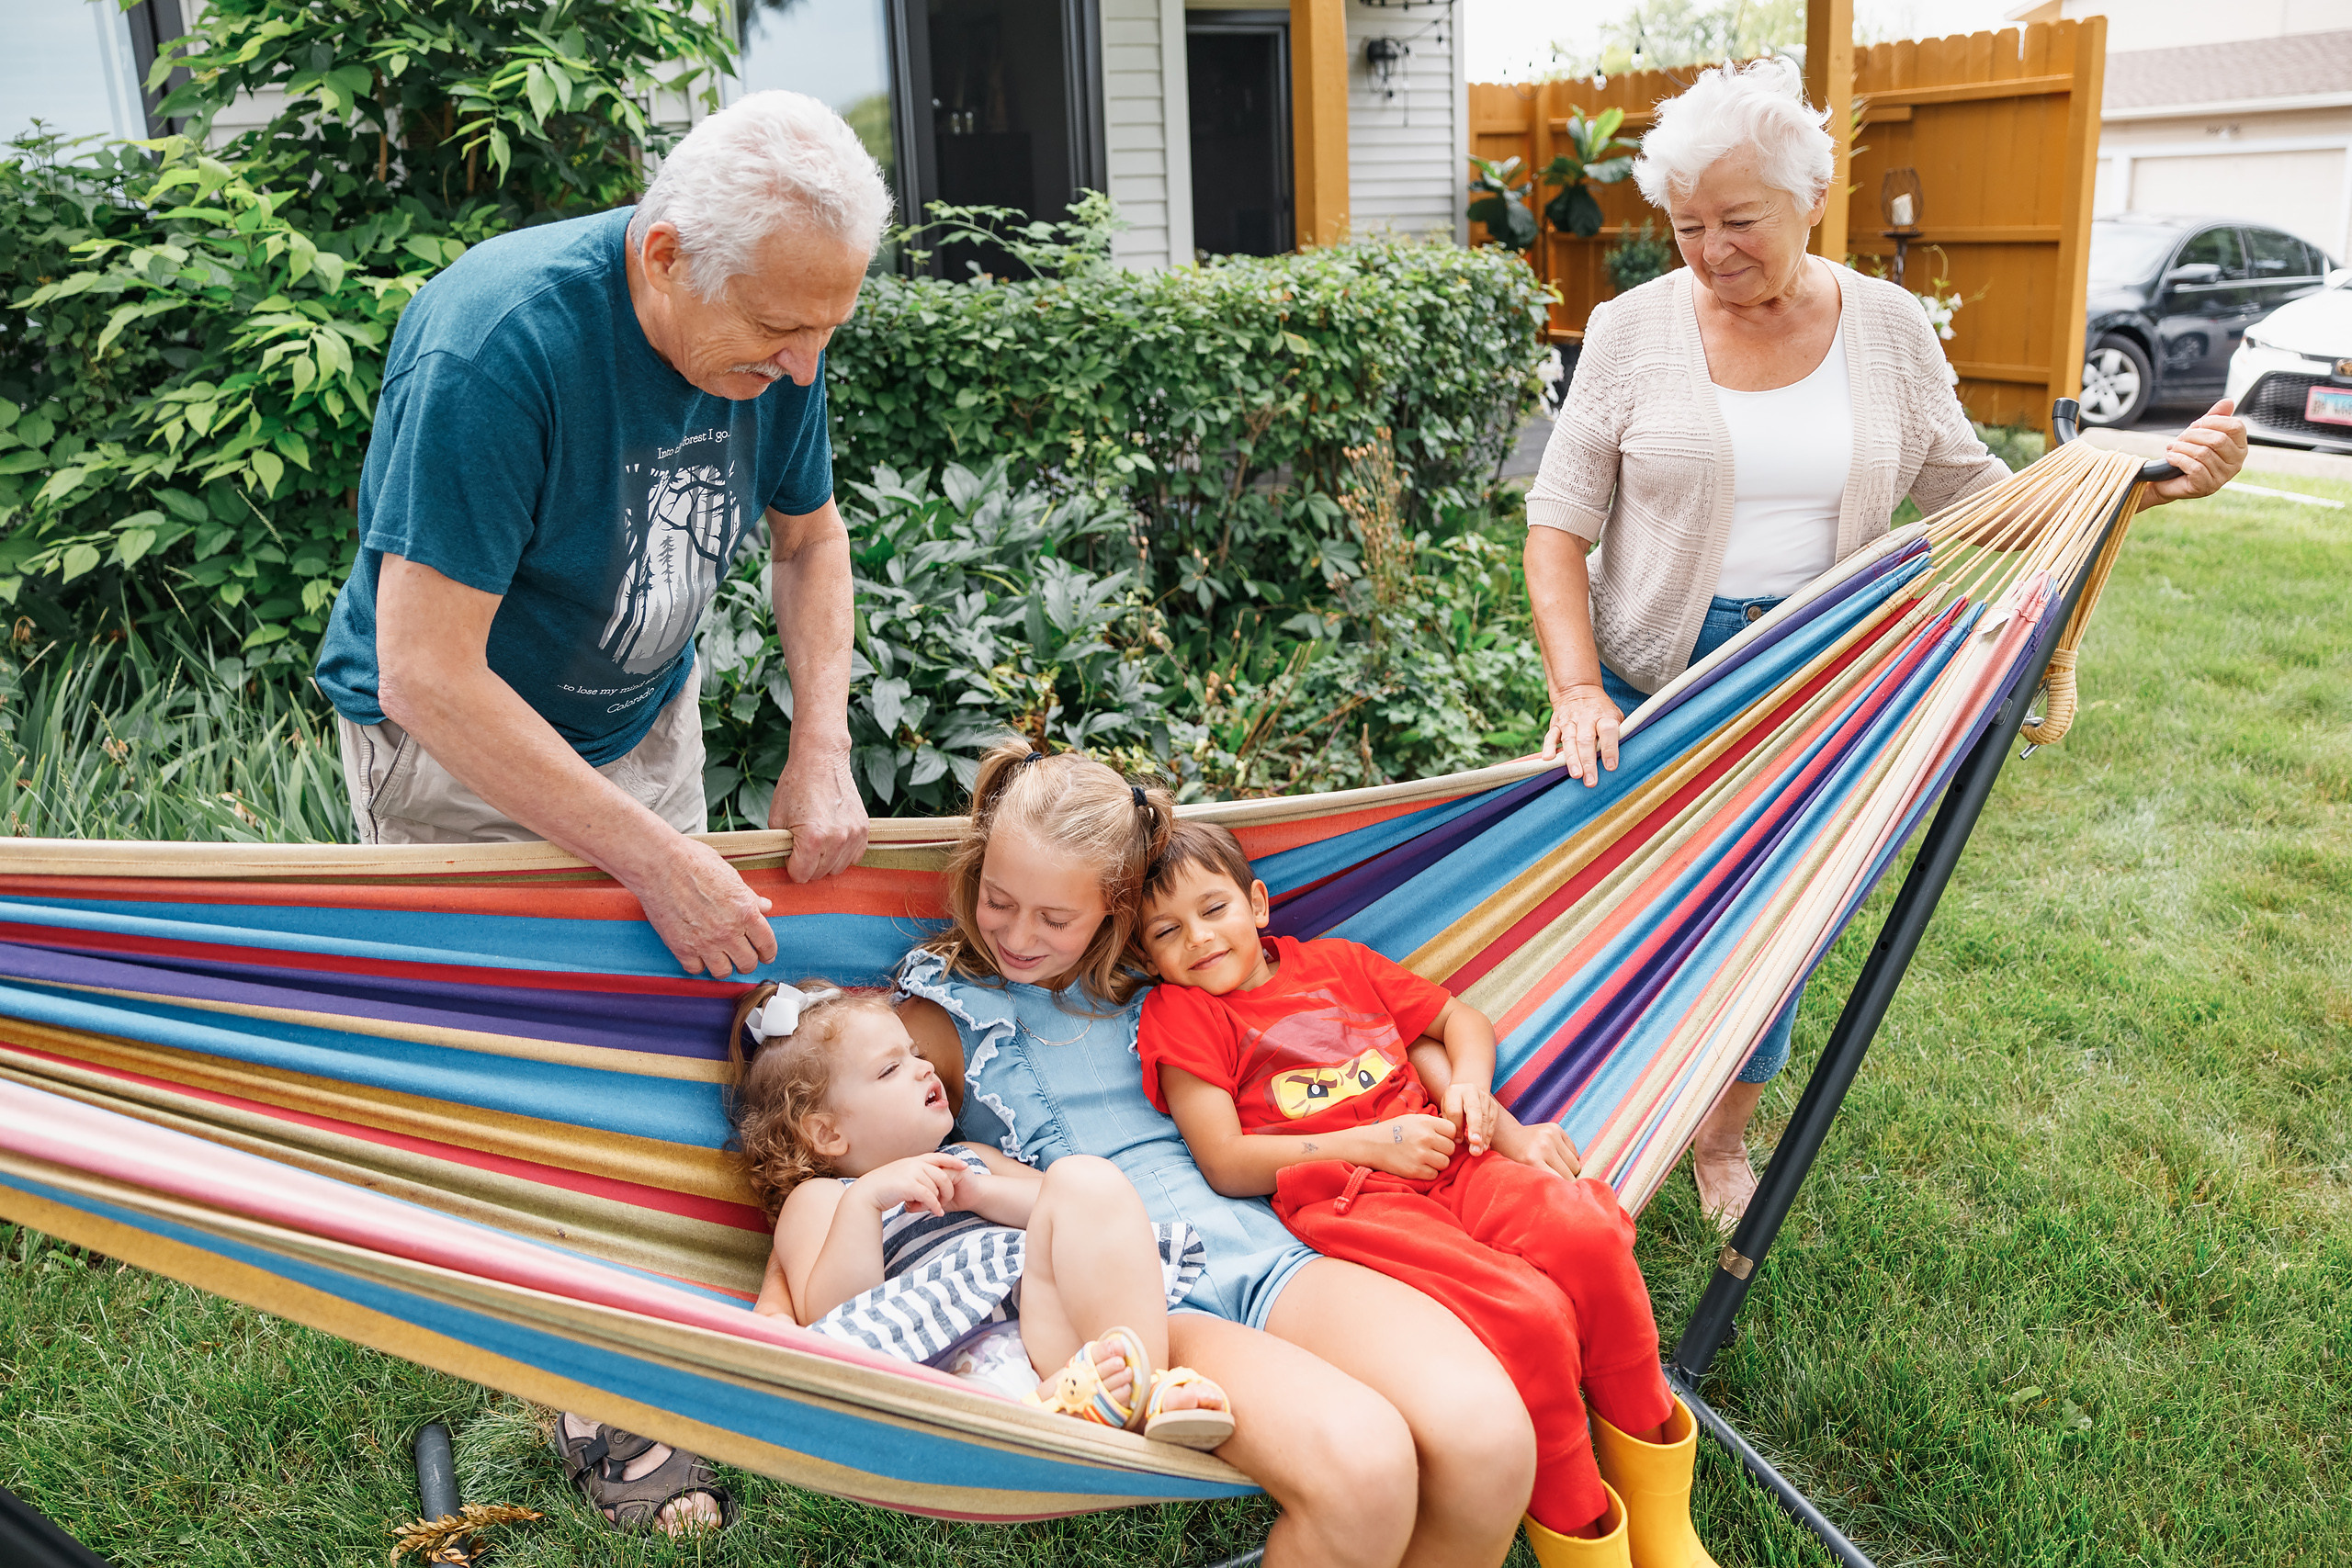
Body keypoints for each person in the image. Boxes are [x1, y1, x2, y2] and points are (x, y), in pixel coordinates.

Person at [1521, 58, 2251, 1229]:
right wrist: (1574, 689)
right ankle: (1593, 1115)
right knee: (1622, 909)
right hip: (1643, 677)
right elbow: (1557, 525)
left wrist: (2149, 482)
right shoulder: (1628, 330)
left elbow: (1976, 498)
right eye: (1687, 226)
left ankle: (1719, 1138)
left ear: (1812, 197)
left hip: (1819, 678)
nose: (1710, 252)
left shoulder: (1890, 329)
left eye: (1738, 220)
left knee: (1774, 922)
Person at [311, 90, 890, 1532]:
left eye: (827, 330)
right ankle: (597, 1399)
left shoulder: (781, 320)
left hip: (640, 719)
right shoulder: (498, 344)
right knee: (528, 1082)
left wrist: (821, 741)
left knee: (665, 1044)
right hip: (461, 756)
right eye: (781, 331)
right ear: (666, 255)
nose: (804, 366)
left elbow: (811, 543)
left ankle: (687, 1312)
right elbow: (426, 672)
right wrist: (653, 857)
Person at [895, 739, 1544, 1568]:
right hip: (1138, 1303)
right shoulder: (944, 1015)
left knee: (1491, 1443)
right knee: (1366, 1473)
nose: (1018, 935)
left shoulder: (1176, 968)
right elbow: (839, 1107)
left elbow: (1356, 1029)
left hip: (1269, 1247)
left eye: (1055, 919)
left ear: (1117, 909)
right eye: (997, 899)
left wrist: (1474, 1104)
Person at [1133, 819, 1716, 1568]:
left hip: (1451, 1157)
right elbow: (1225, 1160)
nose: (1199, 937)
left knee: (1591, 1236)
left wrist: (1473, 1092)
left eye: (1213, 908)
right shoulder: (1183, 1013)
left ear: (1258, 903)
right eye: (1166, 930)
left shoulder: (1340, 962)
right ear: (1146, 954)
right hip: (1355, 1200)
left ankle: (1662, 1511)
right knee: (1528, 1314)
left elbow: (1458, 1020)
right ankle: (1583, 1534)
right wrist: (1373, 1144)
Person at [728, 978, 1235, 1448]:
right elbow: (835, 1317)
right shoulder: (824, 1199)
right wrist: (867, 1201)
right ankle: (1063, 1406)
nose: (924, 1067)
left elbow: (1074, 1210)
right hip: (944, 1367)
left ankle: (1141, 1384)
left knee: (1085, 1177)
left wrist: (980, 1192)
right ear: (828, 1133)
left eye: (915, 1052)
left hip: (1050, 1334)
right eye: (890, 1069)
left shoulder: (971, 1158)